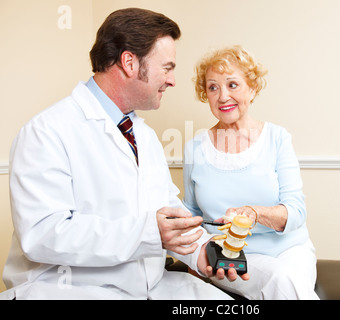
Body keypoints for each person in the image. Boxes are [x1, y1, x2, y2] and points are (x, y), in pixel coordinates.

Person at [1, 8, 245, 300]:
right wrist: (150, 233)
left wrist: (205, 253)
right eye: (167, 67)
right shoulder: (46, 132)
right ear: (130, 62)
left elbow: (170, 215)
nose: (172, 80)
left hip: (149, 286)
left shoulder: (146, 137)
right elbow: (42, 235)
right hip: (69, 289)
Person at [183, 45, 319, 299]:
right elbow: (191, 215)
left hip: (290, 250)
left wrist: (254, 213)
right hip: (232, 257)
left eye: (232, 85)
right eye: (213, 87)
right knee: (280, 280)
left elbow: (296, 211)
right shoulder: (194, 149)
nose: (223, 96)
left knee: (289, 282)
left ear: (252, 89)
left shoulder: (277, 138)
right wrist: (195, 265)